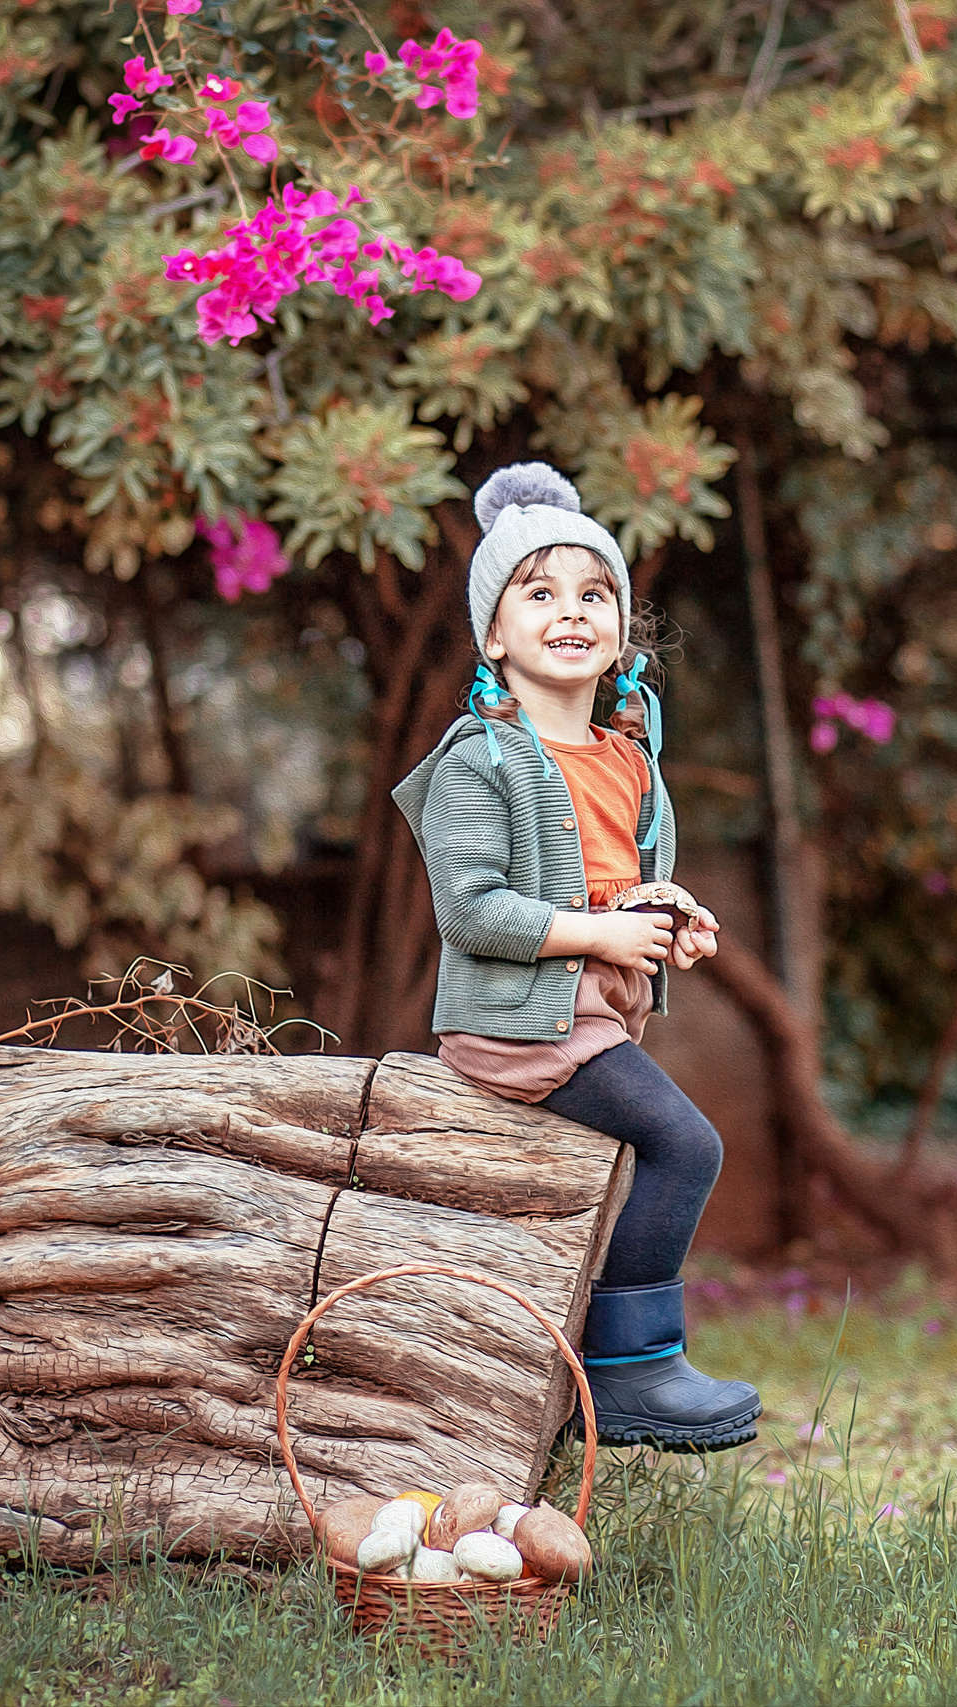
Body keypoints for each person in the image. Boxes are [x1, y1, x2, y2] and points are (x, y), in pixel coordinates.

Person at [391, 461, 762, 1453]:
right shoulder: (480, 760)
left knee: (640, 1162)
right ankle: (632, 1371)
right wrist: (602, 935)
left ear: (620, 629)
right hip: (515, 1029)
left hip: (589, 1017)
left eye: (594, 594)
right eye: (540, 593)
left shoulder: (629, 760)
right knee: (685, 1145)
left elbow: (620, 886)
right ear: (494, 634)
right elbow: (471, 912)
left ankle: (598, 1361)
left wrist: (669, 915)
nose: (571, 611)